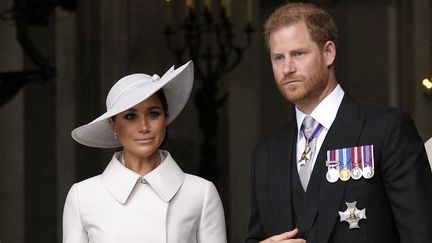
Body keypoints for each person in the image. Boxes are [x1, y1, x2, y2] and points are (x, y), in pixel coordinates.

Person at [246, 2, 432, 243]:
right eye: (278, 58)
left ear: (328, 53)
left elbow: (421, 234)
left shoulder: (386, 130)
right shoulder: (266, 154)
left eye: (298, 54)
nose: (287, 68)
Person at [62, 61, 227, 243]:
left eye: (153, 114)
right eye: (130, 116)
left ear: (166, 117)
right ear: (113, 125)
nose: (144, 127)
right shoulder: (82, 197)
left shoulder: (201, 193)